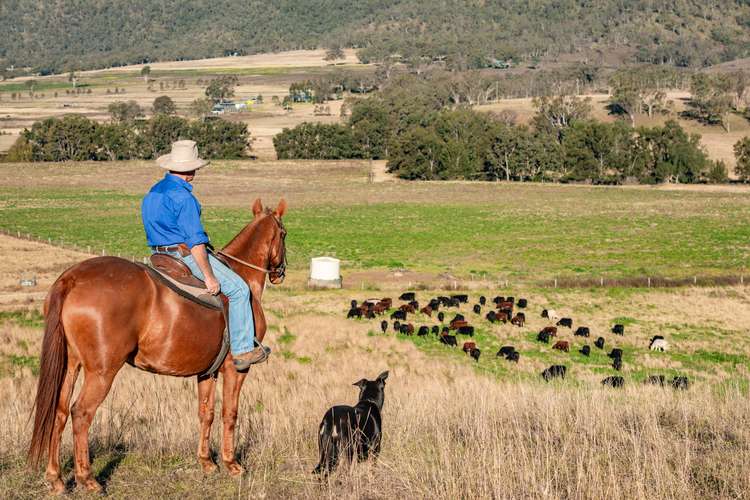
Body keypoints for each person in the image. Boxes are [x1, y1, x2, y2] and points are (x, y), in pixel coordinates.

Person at [141, 140, 268, 370]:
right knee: (239, 290)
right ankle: (242, 350)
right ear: (192, 169)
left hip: (159, 256)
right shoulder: (184, 197)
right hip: (183, 255)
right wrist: (209, 277)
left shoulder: (153, 191)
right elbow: (196, 243)